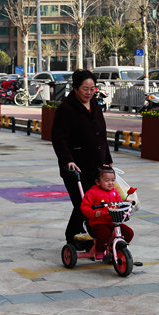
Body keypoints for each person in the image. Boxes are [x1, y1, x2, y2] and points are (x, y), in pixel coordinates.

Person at [51, 69, 112, 248]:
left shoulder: (95, 105)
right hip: (74, 167)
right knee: (82, 204)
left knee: (94, 203)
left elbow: (102, 135)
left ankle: (93, 237)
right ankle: (73, 236)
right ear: (76, 88)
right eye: (85, 88)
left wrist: (107, 158)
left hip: (96, 165)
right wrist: (67, 160)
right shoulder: (66, 108)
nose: (89, 92)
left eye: (92, 88)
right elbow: (58, 137)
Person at [80, 166, 133, 260]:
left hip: (113, 221)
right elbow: (84, 207)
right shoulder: (92, 193)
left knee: (129, 233)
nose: (111, 183)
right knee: (105, 234)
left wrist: (126, 202)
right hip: (97, 223)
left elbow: (120, 203)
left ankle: (118, 248)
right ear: (98, 182)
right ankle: (99, 250)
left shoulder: (115, 192)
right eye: (107, 180)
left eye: (113, 180)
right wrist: (94, 213)